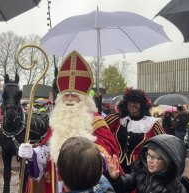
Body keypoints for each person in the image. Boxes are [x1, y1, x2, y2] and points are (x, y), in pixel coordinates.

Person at [18, 50, 122, 193]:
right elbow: (50, 149)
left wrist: (86, 156)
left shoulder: (96, 121)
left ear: (84, 99)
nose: (70, 99)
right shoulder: (58, 120)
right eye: (66, 95)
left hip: (83, 183)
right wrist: (34, 153)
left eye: (74, 95)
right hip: (57, 183)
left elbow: (108, 153)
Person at [104, 88, 165, 173]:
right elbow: (100, 128)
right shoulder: (118, 119)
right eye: (130, 102)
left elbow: (164, 144)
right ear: (126, 104)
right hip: (116, 166)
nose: (132, 104)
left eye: (136, 102)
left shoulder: (152, 124)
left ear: (142, 105)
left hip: (139, 169)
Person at [108, 134, 189, 193]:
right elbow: (125, 185)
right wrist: (115, 178)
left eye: (155, 157)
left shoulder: (175, 188)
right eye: (148, 155)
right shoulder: (142, 173)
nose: (149, 160)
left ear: (168, 161)